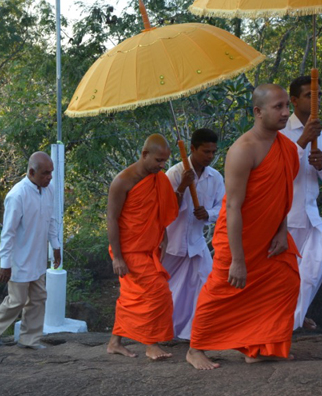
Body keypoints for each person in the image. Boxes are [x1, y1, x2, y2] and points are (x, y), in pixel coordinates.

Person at [187, 84, 301, 370]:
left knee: (285, 280)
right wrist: (237, 260)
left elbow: (282, 193)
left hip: (271, 233)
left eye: (287, 105)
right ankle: (195, 348)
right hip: (238, 236)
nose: (286, 112)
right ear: (258, 112)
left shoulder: (285, 147)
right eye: (279, 107)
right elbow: (234, 207)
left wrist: (281, 230)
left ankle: (257, 345)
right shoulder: (243, 150)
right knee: (223, 288)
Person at [106, 135, 179, 360]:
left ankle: (114, 343)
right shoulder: (122, 181)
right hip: (129, 250)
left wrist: (163, 236)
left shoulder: (159, 179)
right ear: (144, 154)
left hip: (148, 248)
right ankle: (151, 344)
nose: (162, 166)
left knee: (131, 298)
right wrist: (117, 257)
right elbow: (111, 219)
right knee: (158, 293)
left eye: (165, 161)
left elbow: (159, 210)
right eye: (158, 160)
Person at [0, 152, 61, 349]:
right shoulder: (17, 195)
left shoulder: (49, 190)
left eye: (51, 173)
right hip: (18, 259)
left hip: (37, 257)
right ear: (31, 172)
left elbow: (51, 219)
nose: (50, 177)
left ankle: (30, 339)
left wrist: (56, 246)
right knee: (17, 300)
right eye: (45, 173)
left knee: (38, 298)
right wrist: (5, 264)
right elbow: (8, 232)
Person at [282, 76, 322, 331]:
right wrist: (302, 141)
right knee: (286, 275)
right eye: (309, 95)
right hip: (286, 215)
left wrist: (320, 165)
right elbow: (277, 169)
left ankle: (292, 320)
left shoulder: (321, 134)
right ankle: (288, 322)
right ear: (294, 100)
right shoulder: (282, 130)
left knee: (317, 267)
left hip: (310, 214)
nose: (316, 100)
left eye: (318, 95)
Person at [163, 129, 225, 340]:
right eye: (206, 151)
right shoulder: (173, 173)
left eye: (213, 152)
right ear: (192, 149)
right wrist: (181, 186)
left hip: (197, 244)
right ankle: (164, 331)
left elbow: (222, 207)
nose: (210, 156)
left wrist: (208, 213)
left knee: (207, 286)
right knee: (166, 291)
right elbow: (165, 210)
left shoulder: (215, 178)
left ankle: (197, 334)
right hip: (172, 245)